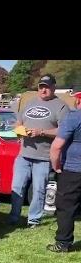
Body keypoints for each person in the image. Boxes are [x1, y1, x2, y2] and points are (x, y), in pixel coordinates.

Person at [7, 74, 70, 228]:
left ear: (53, 87)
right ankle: (14, 218)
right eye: (41, 86)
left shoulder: (60, 106)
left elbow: (64, 130)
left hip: (43, 156)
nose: (43, 89)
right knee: (17, 187)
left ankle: (34, 220)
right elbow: (18, 122)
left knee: (39, 189)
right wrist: (19, 130)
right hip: (23, 154)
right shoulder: (30, 102)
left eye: (47, 87)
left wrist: (42, 132)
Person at [47, 92, 81, 252]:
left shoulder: (74, 117)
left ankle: (63, 242)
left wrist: (56, 166)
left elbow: (56, 146)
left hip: (73, 169)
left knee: (66, 206)